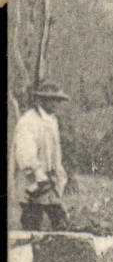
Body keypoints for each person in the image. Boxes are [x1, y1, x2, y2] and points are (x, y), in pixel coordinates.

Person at [13, 82, 73, 231]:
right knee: (32, 224)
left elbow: (55, 154)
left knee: (61, 221)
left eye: (57, 100)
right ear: (41, 100)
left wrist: (58, 175)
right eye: (51, 100)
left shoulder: (52, 121)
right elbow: (25, 154)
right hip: (33, 183)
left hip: (49, 183)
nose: (55, 104)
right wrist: (39, 175)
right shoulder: (28, 122)